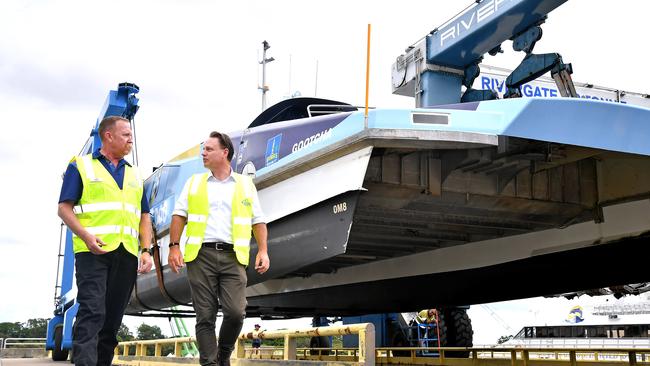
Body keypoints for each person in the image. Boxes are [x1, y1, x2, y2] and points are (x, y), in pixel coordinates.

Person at [168, 131, 270, 366]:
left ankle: (223, 355)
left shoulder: (245, 185)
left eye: (208, 149)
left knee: (236, 312)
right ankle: (210, 364)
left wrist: (263, 250)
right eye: (203, 149)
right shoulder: (194, 183)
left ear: (225, 153)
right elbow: (179, 215)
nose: (203, 153)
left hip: (234, 256)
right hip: (200, 256)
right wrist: (174, 247)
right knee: (205, 316)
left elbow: (258, 220)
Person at [57, 115, 153, 366]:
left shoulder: (135, 175)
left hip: (126, 254)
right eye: (126, 134)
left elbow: (144, 216)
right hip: (93, 252)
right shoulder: (81, 166)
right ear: (108, 136)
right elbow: (64, 208)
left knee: (112, 319)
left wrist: (146, 250)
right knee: (92, 311)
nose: (131, 139)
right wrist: (86, 236)